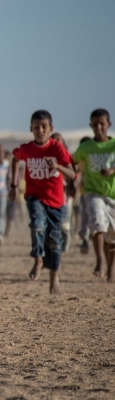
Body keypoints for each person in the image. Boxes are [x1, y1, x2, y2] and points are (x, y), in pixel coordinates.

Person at [9, 111, 75, 293]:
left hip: (56, 202)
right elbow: (15, 159)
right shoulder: (27, 149)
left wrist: (57, 166)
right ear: (31, 129)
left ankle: (54, 275)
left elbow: (71, 174)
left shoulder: (57, 149)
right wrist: (13, 185)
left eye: (44, 127)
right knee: (37, 225)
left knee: (55, 240)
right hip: (34, 196)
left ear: (51, 129)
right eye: (36, 127)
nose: (40, 130)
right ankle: (38, 259)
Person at [73, 108, 115, 282]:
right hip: (92, 193)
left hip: (112, 195)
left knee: (111, 236)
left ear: (109, 125)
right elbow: (72, 163)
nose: (98, 127)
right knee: (97, 224)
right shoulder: (86, 147)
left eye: (102, 124)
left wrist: (112, 169)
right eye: (95, 124)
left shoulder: (113, 146)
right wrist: (70, 183)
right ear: (90, 126)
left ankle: (111, 268)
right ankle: (99, 261)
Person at [51, 132, 75, 252]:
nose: (55, 140)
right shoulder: (46, 156)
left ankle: (66, 238)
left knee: (64, 222)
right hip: (50, 194)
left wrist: (72, 188)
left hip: (63, 195)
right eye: (53, 138)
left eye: (58, 139)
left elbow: (72, 175)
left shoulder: (66, 157)